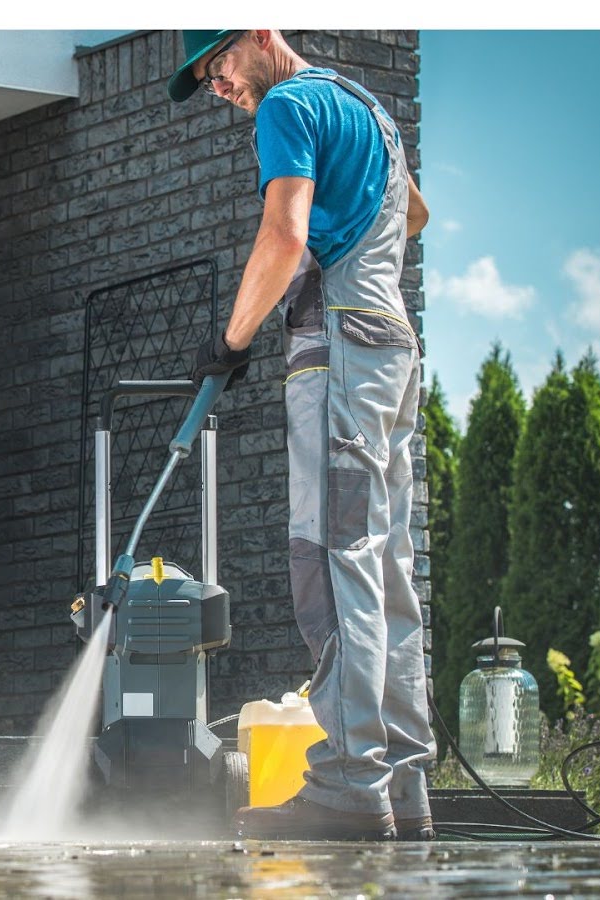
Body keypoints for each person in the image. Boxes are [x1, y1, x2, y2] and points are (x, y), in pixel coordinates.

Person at [170, 30, 436, 841]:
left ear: (257, 33)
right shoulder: (367, 109)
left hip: (343, 346)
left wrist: (233, 338)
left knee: (331, 551)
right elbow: (414, 214)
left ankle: (352, 782)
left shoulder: (286, 104)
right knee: (384, 562)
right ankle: (404, 781)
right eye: (207, 76)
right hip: (390, 340)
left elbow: (284, 236)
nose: (217, 84)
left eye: (218, 63)